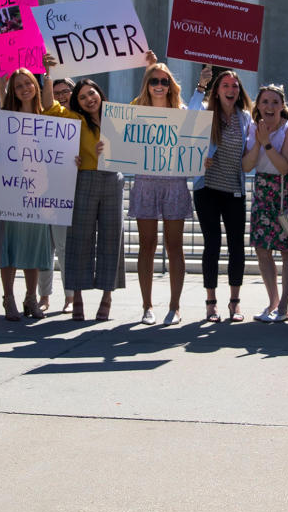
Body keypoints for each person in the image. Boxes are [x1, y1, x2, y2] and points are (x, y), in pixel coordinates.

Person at [0, 69, 56, 321]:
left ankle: (30, 297)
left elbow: (57, 151)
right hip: (11, 189)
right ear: (11, 91)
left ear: (36, 85)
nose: (25, 88)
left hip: (38, 190)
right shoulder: (6, 116)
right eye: (18, 86)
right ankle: (9, 298)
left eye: (28, 83)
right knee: (10, 246)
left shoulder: (46, 116)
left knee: (34, 248)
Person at [188, 68, 253, 322]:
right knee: (212, 244)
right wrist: (200, 86)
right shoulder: (205, 113)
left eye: (235, 86)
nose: (230, 90)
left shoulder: (245, 118)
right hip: (208, 189)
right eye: (225, 85)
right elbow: (188, 118)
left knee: (237, 246)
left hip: (234, 189)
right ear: (217, 90)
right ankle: (211, 302)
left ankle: (235, 302)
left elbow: (250, 150)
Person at [129, 61, 191, 325]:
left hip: (174, 183)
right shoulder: (134, 111)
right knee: (147, 245)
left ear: (170, 86)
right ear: (147, 85)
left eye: (164, 81)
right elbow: (122, 144)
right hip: (145, 182)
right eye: (154, 81)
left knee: (174, 246)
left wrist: (201, 160)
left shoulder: (183, 112)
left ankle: (175, 307)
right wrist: (106, 149)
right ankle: (147, 306)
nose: (159, 86)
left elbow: (193, 146)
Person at [244, 84, 288, 323]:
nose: (269, 107)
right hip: (262, 188)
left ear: (283, 106)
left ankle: (284, 307)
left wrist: (266, 142)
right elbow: (247, 166)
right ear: (258, 105)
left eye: (274, 102)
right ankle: (273, 301)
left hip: (285, 189)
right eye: (265, 102)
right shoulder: (252, 128)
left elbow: (284, 166)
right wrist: (259, 141)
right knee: (262, 248)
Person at [65, 78, 126, 320]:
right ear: (77, 102)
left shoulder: (118, 117)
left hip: (113, 179)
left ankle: (107, 296)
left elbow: (134, 144)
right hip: (85, 178)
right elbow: (49, 106)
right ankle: (77, 296)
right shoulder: (75, 120)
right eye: (82, 97)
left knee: (112, 238)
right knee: (79, 238)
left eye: (92, 94)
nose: (89, 99)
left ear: (100, 93)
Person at [37, 76, 77, 315]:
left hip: (70, 187)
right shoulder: (43, 117)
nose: (62, 96)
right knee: (44, 246)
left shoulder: (82, 119)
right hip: (43, 186)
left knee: (63, 246)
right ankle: (44, 296)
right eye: (56, 91)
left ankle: (70, 296)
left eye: (66, 91)